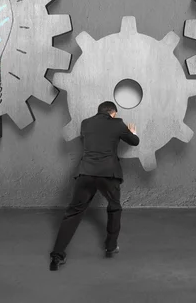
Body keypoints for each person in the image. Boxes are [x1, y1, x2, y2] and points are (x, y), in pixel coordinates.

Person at [49, 101, 140, 271]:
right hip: (108, 173)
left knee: (73, 213)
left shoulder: (86, 123)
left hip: (86, 172)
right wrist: (132, 132)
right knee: (114, 208)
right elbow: (134, 141)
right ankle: (111, 246)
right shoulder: (118, 124)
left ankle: (57, 255)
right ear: (113, 113)